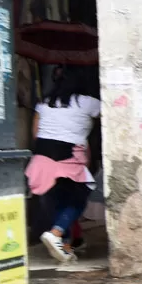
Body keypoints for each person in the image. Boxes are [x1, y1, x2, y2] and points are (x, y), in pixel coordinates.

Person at [26, 65, 100, 263]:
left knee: (60, 201)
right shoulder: (89, 103)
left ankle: (65, 246)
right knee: (79, 198)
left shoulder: (43, 104)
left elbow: (35, 133)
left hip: (42, 157)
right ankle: (57, 233)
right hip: (67, 156)